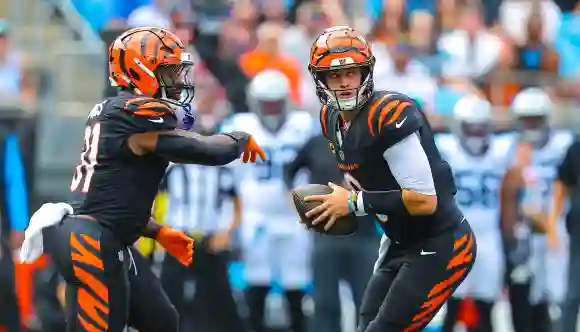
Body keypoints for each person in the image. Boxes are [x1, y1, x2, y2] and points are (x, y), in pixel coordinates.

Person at [36, 27, 266, 332]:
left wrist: (158, 232)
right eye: (169, 72)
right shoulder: (132, 115)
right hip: (90, 239)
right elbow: (199, 149)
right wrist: (238, 139)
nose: (178, 81)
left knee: (161, 320)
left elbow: (116, 197)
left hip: (104, 233)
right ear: (140, 70)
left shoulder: (120, 114)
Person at [303, 26, 477, 332]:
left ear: (366, 73)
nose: (344, 83)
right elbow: (370, 180)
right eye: (334, 75)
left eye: (351, 73)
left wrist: (353, 203)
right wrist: (330, 207)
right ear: (321, 80)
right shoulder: (330, 119)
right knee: (366, 324)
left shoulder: (388, 114)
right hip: (399, 240)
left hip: (441, 243)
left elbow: (424, 200)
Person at [220, 69, 313, 332]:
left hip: (296, 217)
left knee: (297, 284)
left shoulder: (303, 125)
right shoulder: (239, 127)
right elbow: (228, 179)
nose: (271, 109)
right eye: (266, 103)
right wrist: (231, 220)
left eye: (276, 102)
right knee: (256, 281)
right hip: (256, 215)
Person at [284, 115, 380, 332]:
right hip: (326, 232)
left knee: (367, 300)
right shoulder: (316, 143)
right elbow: (290, 169)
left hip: (363, 234)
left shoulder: (372, 144)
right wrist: (291, 195)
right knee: (325, 301)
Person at [436, 95, 514, 332]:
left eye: (481, 128)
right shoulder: (446, 148)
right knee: (452, 302)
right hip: (456, 233)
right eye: (471, 127)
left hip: (489, 236)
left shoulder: (501, 151)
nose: (476, 134)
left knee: (486, 304)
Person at [499, 87, 572, 332]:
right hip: (523, 229)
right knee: (522, 292)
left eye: (535, 118)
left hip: (558, 227)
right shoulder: (507, 147)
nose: (530, 125)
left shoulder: (564, 144)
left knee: (557, 294)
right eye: (525, 119)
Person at [549, 135, 580, 331]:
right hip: (579, 229)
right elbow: (562, 183)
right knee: (573, 292)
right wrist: (553, 223)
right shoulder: (577, 148)